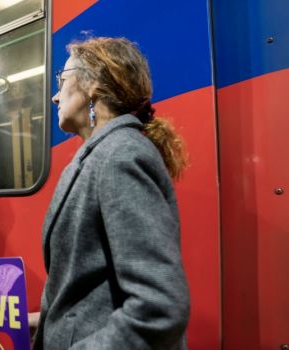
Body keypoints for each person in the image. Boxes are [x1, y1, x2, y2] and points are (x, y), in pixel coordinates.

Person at [33, 37, 190, 349]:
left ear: (93, 85)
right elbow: (90, 290)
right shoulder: (101, 154)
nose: (54, 96)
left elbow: (158, 308)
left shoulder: (121, 155)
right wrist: (40, 322)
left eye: (62, 81)